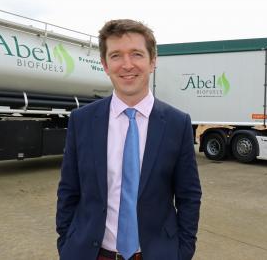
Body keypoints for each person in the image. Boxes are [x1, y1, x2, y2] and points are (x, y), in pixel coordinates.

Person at [56, 19, 202, 260]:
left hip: (156, 253)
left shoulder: (177, 123)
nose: (127, 65)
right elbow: (69, 191)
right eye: (116, 56)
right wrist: (67, 242)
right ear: (104, 64)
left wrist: (183, 251)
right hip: (92, 253)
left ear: (152, 61)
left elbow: (189, 195)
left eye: (136, 54)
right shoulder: (82, 120)